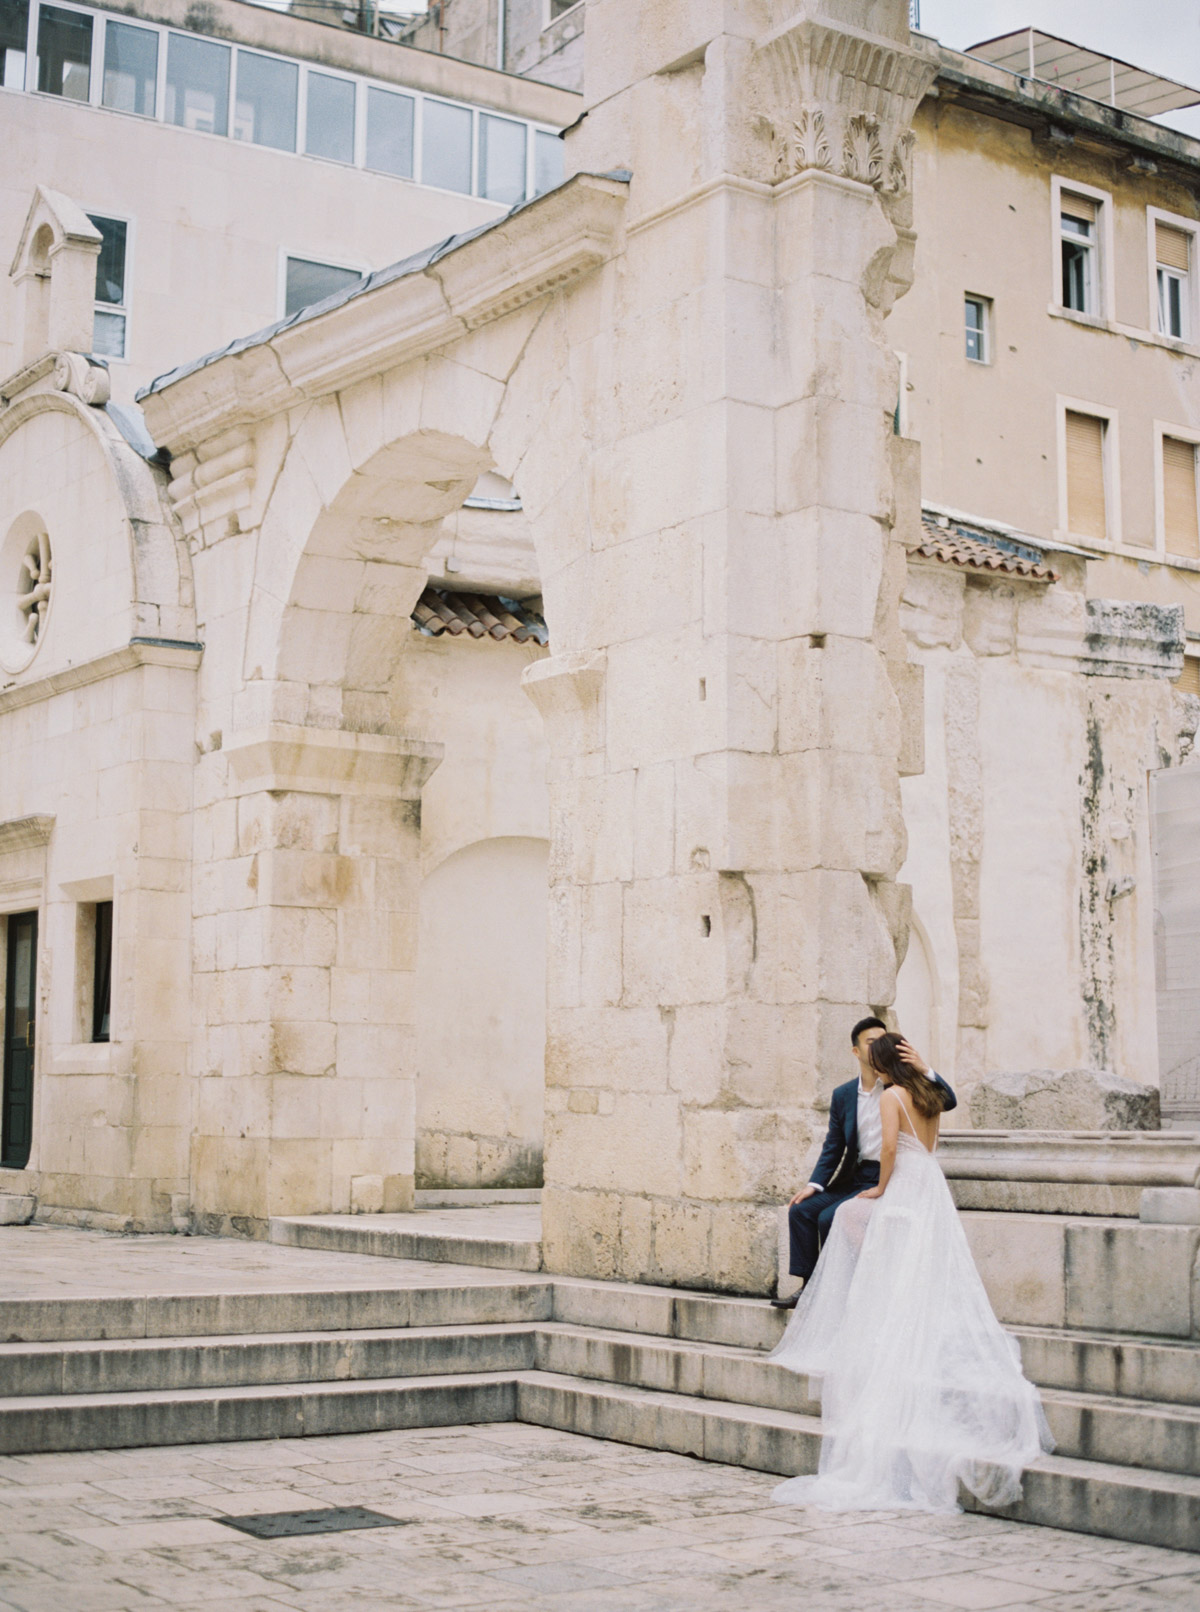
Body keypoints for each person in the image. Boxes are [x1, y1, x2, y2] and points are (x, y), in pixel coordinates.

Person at [769, 1031, 1053, 1515]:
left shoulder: (893, 1096)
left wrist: (879, 1191)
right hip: (931, 1184)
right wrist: (924, 1068)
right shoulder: (927, 1094)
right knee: (920, 1248)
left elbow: (891, 1156)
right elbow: (928, 1141)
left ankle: (863, 1299)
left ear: (879, 1066)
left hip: (902, 1182)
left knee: (850, 1219)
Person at [772, 1017, 956, 1310]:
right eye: (872, 1043)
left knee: (831, 1216)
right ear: (856, 1052)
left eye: (884, 1041)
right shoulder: (844, 1095)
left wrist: (925, 1068)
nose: (879, 1048)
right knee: (802, 1210)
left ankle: (843, 1289)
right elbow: (833, 1146)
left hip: (889, 1173)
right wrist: (813, 1184)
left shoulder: (903, 1088)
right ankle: (808, 1289)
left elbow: (947, 1101)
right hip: (856, 1175)